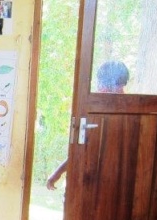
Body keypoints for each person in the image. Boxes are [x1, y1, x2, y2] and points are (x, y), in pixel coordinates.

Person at [46, 60, 129, 190]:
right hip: (91, 183)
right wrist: (58, 173)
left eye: (101, 84)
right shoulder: (97, 110)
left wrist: (58, 173)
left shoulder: (127, 114)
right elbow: (80, 149)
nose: (99, 88)